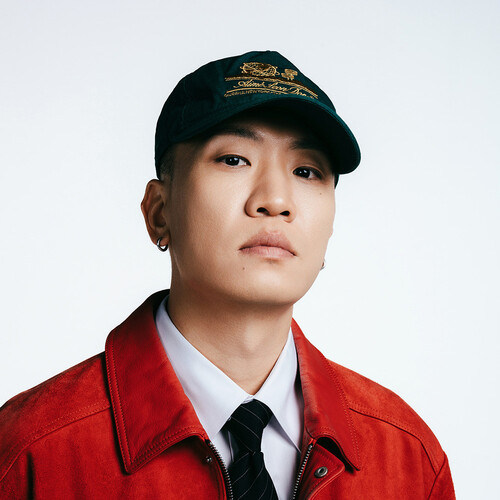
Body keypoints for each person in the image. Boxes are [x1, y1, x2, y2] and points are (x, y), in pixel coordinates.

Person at [0, 50, 455, 499]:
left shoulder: (407, 458)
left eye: (306, 171)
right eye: (234, 159)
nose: (275, 200)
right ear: (159, 212)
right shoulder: (33, 453)